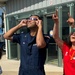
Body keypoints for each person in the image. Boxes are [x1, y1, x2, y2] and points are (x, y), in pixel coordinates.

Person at [52, 10, 75, 75]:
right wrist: (56, 22)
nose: (73, 35)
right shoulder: (66, 48)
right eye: (72, 33)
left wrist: (74, 24)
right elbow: (55, 37)